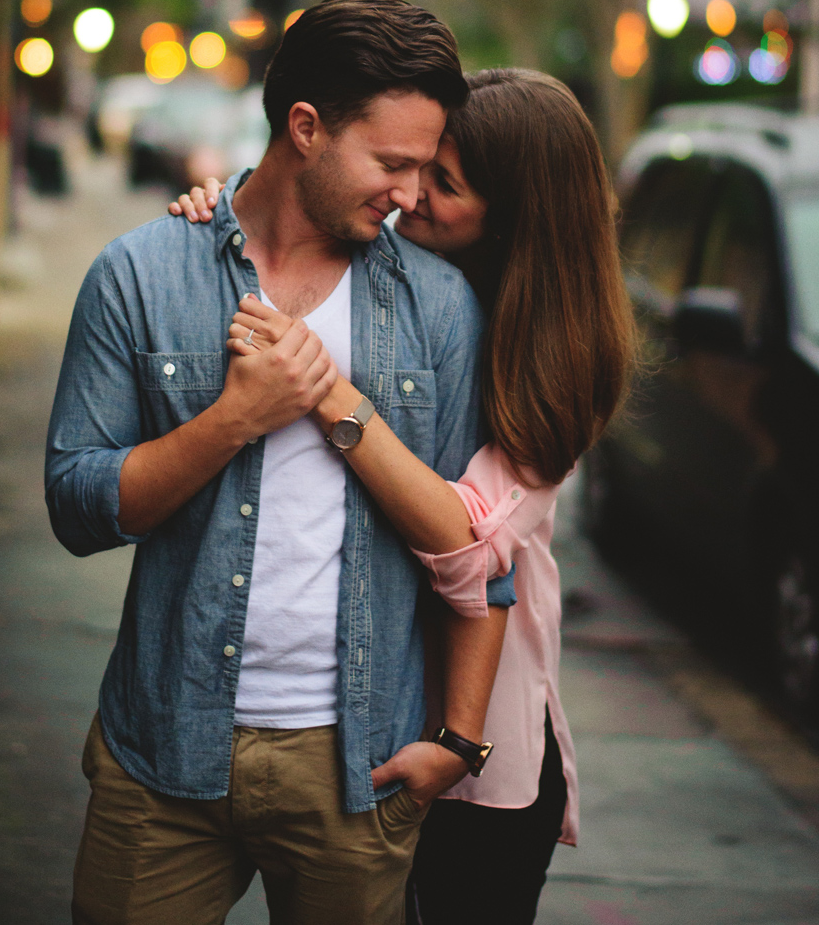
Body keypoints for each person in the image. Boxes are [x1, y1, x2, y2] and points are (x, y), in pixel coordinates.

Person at [45, 0, 518, 925]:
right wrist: (234, 418)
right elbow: (77, 504)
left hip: (360, 762)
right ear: (305, 127)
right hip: (163, 748)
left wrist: (456, 744)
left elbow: (476, 558)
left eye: (425, 169)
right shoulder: (140, 274)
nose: (411, 195)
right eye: (392, 163)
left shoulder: (438, 304)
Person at [171, 66, 636, 925]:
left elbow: (468, 542)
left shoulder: (556, 361)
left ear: (514, 219)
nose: (410, 193)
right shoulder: (401, 285)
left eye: (444, 183)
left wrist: (326, 390)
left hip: (471, 763)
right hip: (359, 728)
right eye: (419, 164)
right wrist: (226, 213)